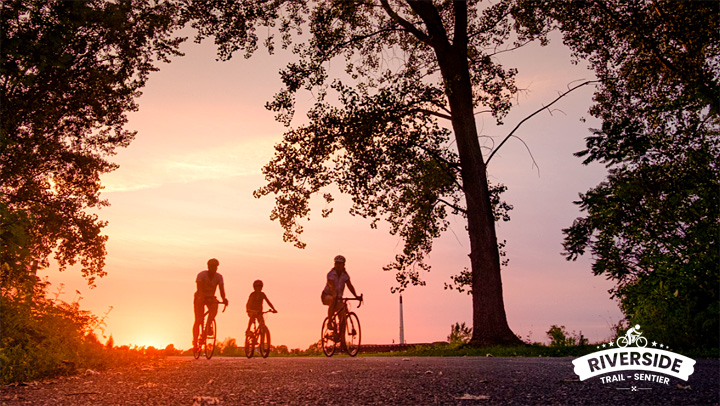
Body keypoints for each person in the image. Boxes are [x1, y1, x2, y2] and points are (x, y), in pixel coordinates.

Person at [193, 258, 228, 349]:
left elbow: (221, 289)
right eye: (212, 266)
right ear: (208, 266)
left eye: (215, 266)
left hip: (210, 297)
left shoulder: (219, 277)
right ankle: (195, 341)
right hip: (200, 297)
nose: (214, 268)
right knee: (198, 320)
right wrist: (201, 297)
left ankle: (208, 326)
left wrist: (224, 298)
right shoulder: (201, 275)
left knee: (214, 309)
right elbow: (199, 287)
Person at [321, 255, 360, 329]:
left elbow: (350, 286)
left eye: (340, 264)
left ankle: (342, 338)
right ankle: (329, 322)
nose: (338, 265)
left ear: (343, 265)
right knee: (332, 300)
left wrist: (356, 296)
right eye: (337, 263)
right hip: (327, 295)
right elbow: (330, 284)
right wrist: (334, 293)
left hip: (338, 298)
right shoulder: (331, 274)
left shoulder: (345, 275)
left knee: (343, 315)